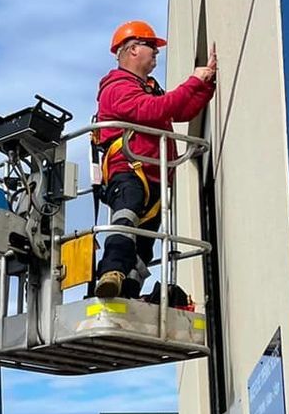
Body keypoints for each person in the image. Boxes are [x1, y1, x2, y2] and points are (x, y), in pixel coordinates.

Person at [93, 21, 217, 303]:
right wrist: (193, 81)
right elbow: (153, 110)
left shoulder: (145, 87)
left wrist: (205, 85)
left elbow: (179, 110)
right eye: (152, 47)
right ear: (133, 49)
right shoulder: (117, 87)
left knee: (145, 244)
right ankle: (110, 274)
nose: (156, 54)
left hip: (155, 174)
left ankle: (126, 294)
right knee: (126, 217)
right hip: (129, 170)